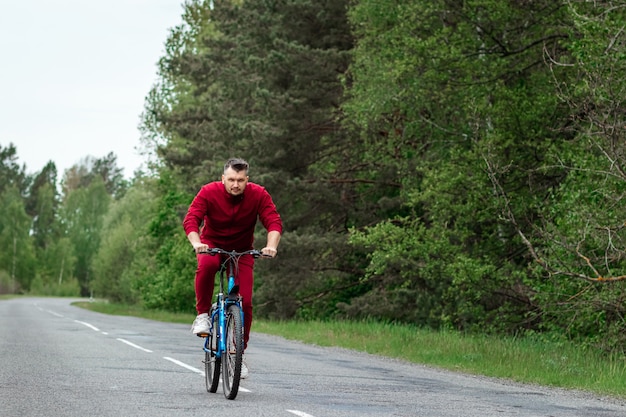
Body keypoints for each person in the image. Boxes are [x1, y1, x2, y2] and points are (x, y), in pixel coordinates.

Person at [183, 157, 282, 378]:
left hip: (242, 251)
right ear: (223, 179)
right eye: (231, 180)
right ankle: (202, 315)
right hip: (211, 246)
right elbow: (191, 219)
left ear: (247, 180)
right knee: (206, 267)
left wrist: (271, 246)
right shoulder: (208, 192)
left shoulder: (259, 194)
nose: (235, 184)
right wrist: (197, 243)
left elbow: (273, 221)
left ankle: (238, 353)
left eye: (240, 180)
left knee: (244, 301)